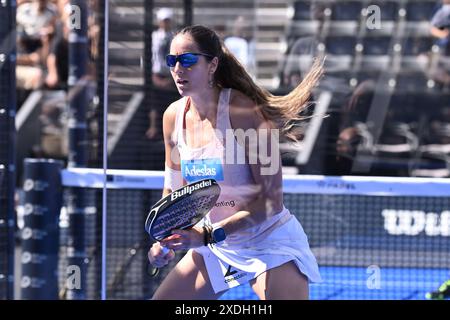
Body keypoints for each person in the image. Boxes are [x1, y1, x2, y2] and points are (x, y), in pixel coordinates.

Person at [147, 25, 322, 300]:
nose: (178, 69)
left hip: (267, 240)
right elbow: (172, 192)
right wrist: (165, 239)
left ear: (212, 64)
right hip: (216, 246)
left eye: (188, 60)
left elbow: (271, 202)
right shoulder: (172, 118)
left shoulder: (244, 114)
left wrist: (207, 235)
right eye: (172, 61)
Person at [146, 7, 177, 140]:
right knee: (154, 103)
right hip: (156, 75)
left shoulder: (175, 38)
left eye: (167, 20)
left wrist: (172, 78)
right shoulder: (153, 37)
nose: (165, 23)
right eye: (163, 20)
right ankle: (153, 128)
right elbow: (150, 57)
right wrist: (154, 77)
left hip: (171, 76)